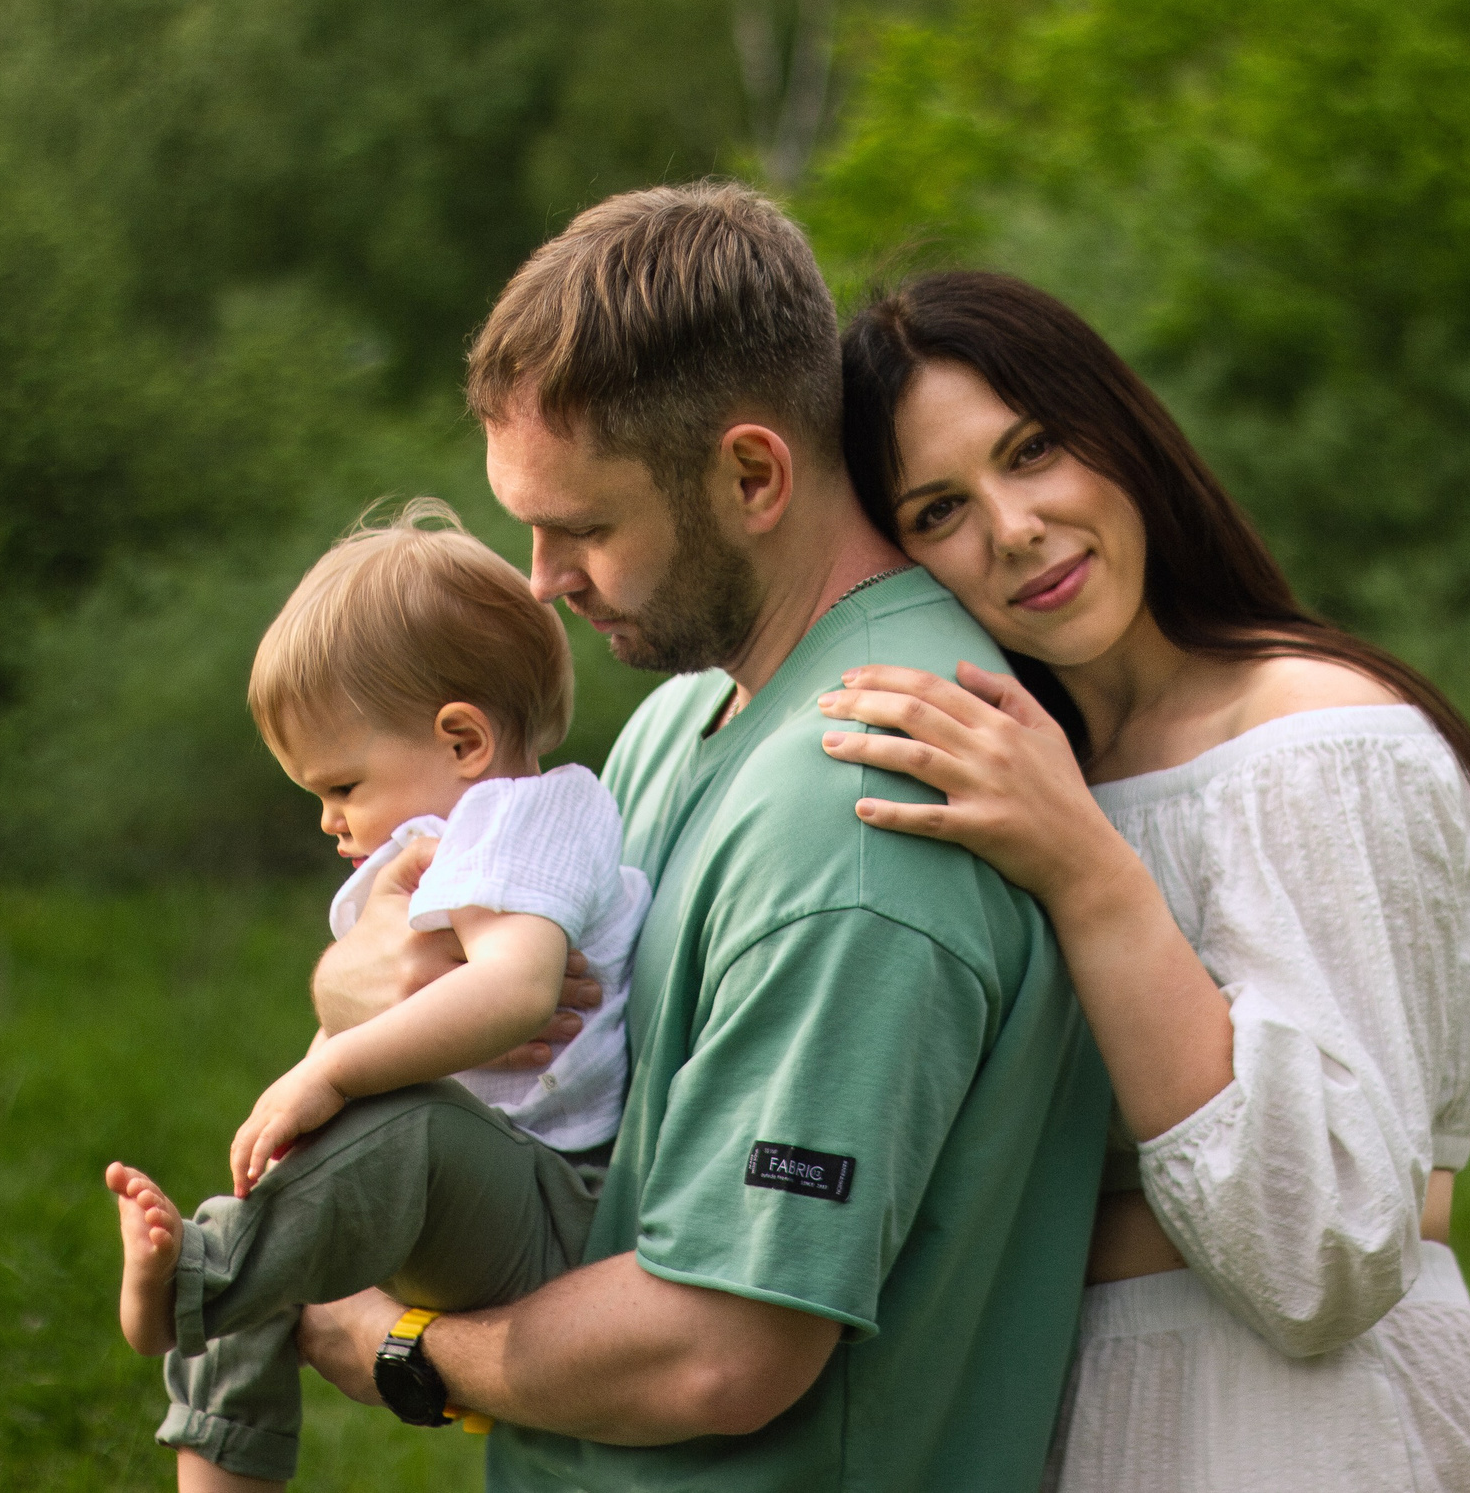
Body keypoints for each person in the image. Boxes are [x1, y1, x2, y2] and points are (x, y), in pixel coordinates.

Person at [292, 185, 1112, 1491]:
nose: (541, 578)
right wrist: (363, 989)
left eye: (585, 527)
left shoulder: (869, 810)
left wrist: (403, 1350)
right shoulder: (684, 716)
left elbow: (723, 1350)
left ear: (752, 475)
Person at [818, 271, 1470, 1491]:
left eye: (1034, 449)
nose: (1013, 528)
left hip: (1307, 1434)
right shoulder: (1018, 773)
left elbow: (1318, 1255)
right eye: (939, 508)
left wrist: (1088, 874)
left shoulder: (1311, 745)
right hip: (1070, 1422)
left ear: (1122, 430)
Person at [103, 502, 648, 1490]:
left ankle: (196, 1280)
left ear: (463, 740)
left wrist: (336, 1074)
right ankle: (216, 1406)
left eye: (342, 786)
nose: (327, 819)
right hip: (486, 1195)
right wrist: (308, 1103)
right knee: (282, 1206)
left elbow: (519, 989)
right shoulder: (425, 851)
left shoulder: (529, 818)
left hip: (566, 1205)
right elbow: (372, 1021)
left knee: (387, 1132)